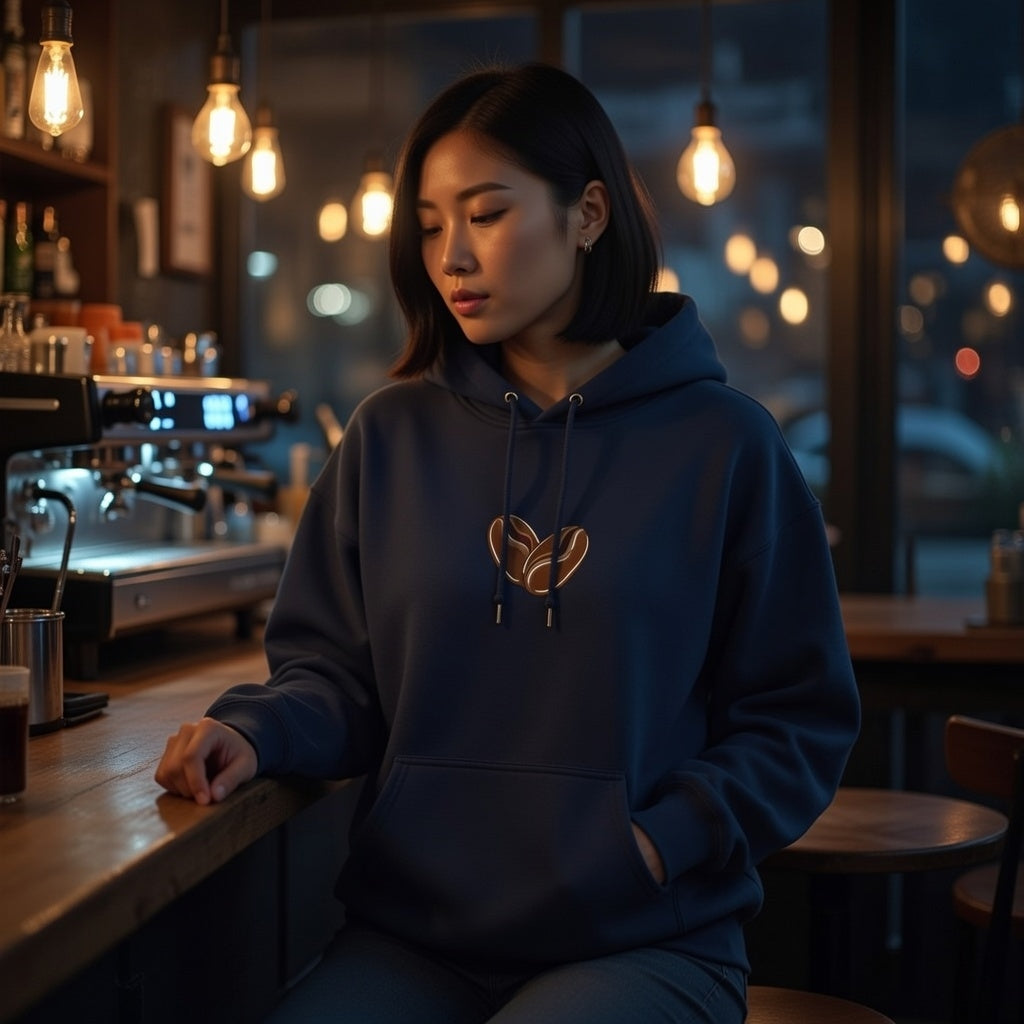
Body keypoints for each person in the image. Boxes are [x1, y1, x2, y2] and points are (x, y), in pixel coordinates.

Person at [156, 62, 861, 1023]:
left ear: (589, 213)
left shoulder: (727, 445)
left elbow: (798, 718)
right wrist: (256, 728)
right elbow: (335, 675)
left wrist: (661, 842)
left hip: (646, 936)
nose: (451, 256)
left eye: (485, 214)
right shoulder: (389, 436)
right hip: (412, 937)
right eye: (433, 222)